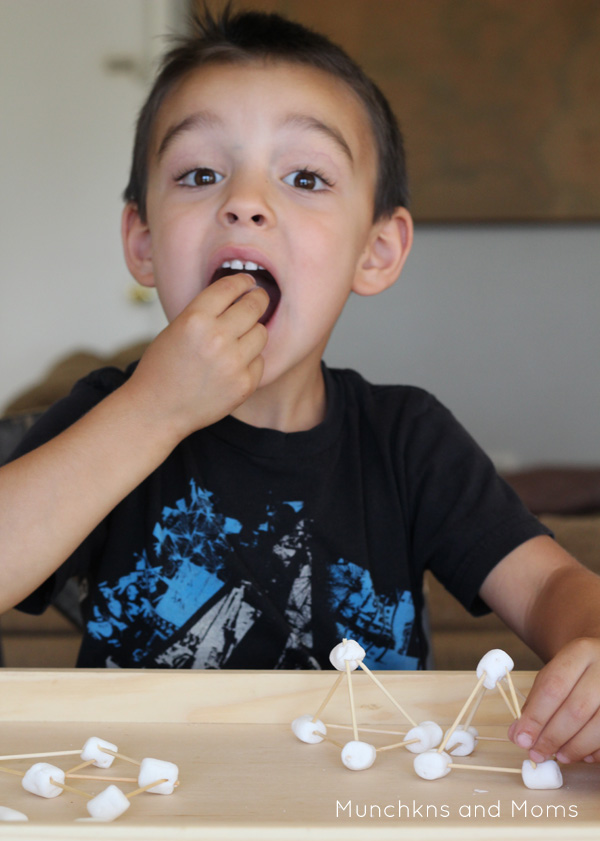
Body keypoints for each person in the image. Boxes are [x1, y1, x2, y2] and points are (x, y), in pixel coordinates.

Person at [1, 6, 599, 767]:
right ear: (143, 242)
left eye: (306, 177)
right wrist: (153, 410)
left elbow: (553, 587)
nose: (245, 201)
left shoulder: (406, 439)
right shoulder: (111, 415)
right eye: (200, 174)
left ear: (376, 251)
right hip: (145, 829)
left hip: (360, 833)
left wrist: (591, 642)